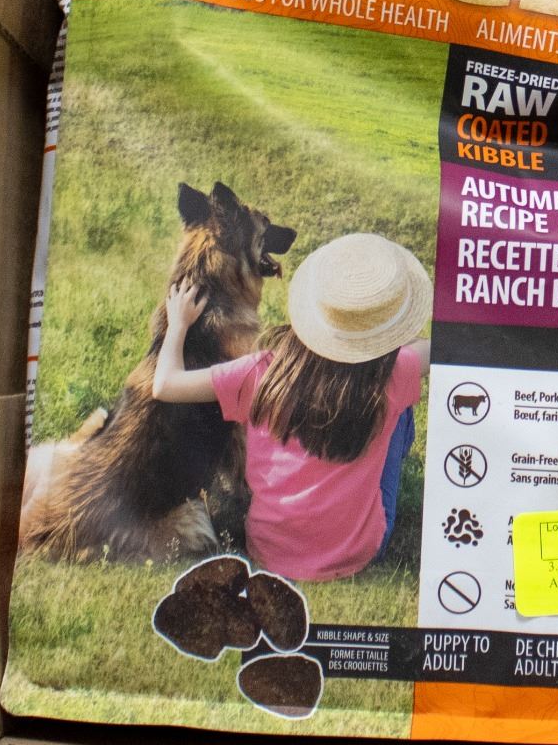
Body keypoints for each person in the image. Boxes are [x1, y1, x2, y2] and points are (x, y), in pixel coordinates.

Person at [154, 231, 431, 582]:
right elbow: (441, 350)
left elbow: (165, 384)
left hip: (268, 549)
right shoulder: (390, 373)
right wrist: (383, 330)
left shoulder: (261, 370)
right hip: (357, 552)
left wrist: (178, 325)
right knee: (399, 410)